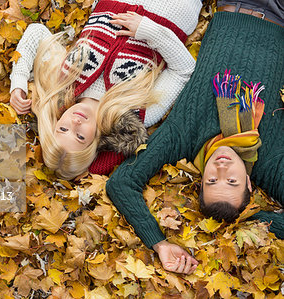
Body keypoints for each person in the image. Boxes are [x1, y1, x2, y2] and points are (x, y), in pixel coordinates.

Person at [106, 2, 284, 274]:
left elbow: (121, 183)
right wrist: (251, 221)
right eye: (232, 181)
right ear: (249, 181)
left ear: (201, 179)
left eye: (212, 180)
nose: (221, 168)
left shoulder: (183, 139)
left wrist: (160, 243)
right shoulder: (268, 161)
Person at [9, 0, 202, 179]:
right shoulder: (136, 113)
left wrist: (18, 81)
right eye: (80, 136)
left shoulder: (64, 82)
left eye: (63, 128)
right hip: (174, 8)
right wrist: (148, 30)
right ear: (95, 142)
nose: (75, 122)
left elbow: (36, 32)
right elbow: (183, 70)